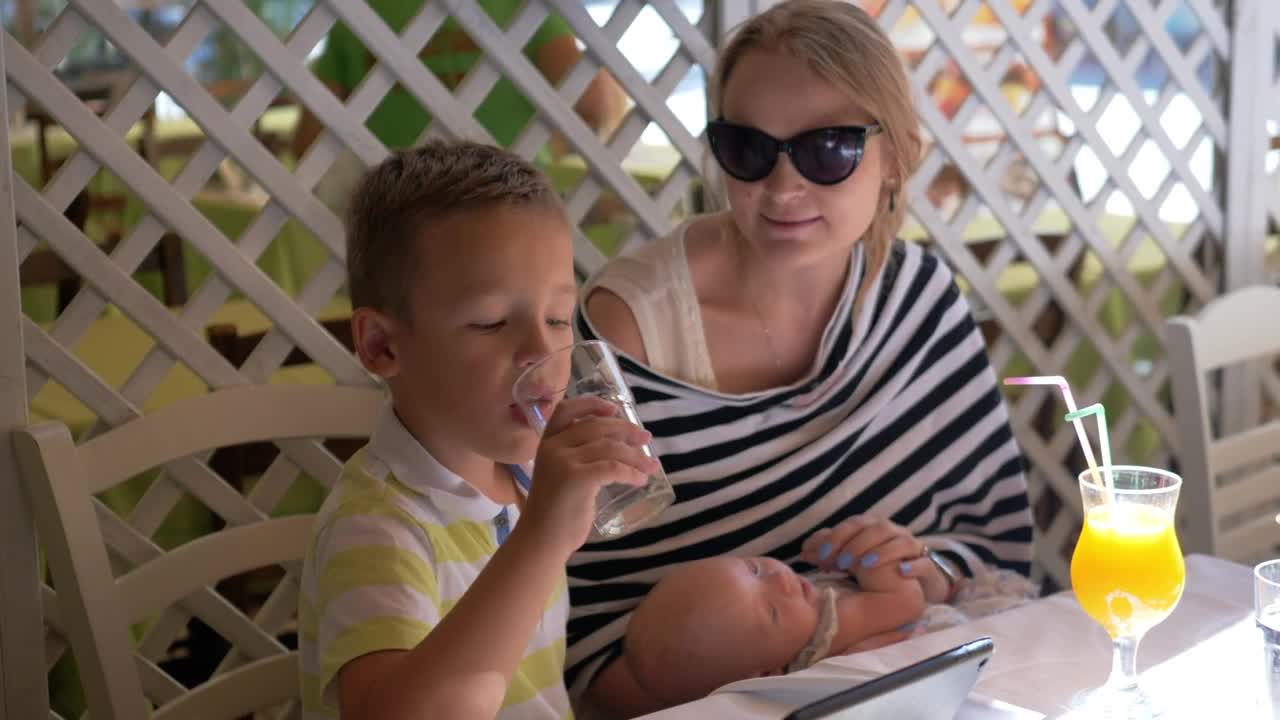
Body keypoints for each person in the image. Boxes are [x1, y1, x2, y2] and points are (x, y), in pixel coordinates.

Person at [567, 2, 1035, 716]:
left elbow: (992, 541)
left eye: (828, 151)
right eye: (748, 150)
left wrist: (914, 569)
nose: (783, 191)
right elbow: (583, 618)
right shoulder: (630, 331)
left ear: (895, 157)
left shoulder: (916, 297)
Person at [297, 140, 660, 719]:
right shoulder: (377, 529)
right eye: (491, 322)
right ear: (381, 345)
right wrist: (541, 539)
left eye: (559, 318)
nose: (543, 350)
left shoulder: (524, 474)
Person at [623, 542, 1039, 710]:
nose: (781, 579)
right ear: (766, 673)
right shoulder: (827, 635)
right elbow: (904, 601)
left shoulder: (793, 642)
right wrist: (868, 564)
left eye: (753, 569)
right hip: (971, 640)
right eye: (771, 610)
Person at [291, 0, 627, 158]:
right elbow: (597, 106)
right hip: (510, 204)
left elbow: (308, 142)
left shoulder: (355, 11)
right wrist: (542, 145)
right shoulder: (523, 6)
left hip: (393, 219)